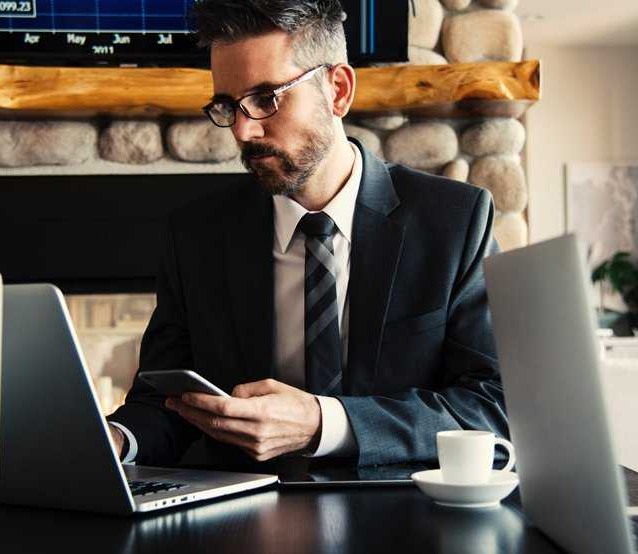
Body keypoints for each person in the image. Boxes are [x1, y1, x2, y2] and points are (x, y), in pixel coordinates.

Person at [106, 0, 508, 471]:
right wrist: (114, 438)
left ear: (338, 90)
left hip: (402, 515)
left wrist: (325, 423)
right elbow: (163, 403)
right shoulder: (195, 236)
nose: (243, 129)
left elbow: (492, 406)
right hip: (244, 522)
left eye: (266, 98)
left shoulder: (454, 222)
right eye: (227, 105)